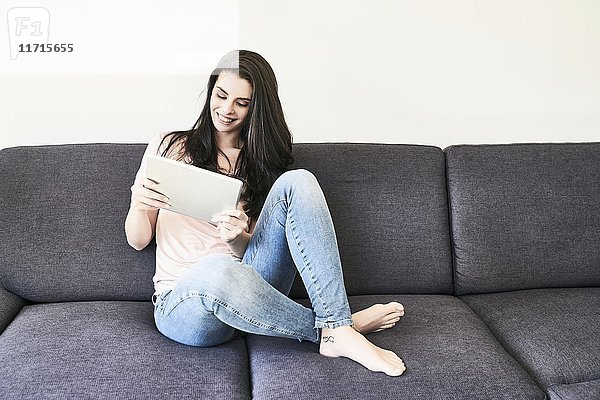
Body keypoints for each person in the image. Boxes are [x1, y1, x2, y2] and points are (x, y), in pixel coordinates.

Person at [124, 50, 407, 376]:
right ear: (210, 91)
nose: (227, 110)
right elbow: (138, 240)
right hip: (184, 307)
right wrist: (140, 201)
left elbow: (256, 254)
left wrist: (236, 239)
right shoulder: (169, 145)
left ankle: (335, 326)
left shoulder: (259, 163)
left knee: (299, 181)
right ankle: (336, 328)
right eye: (221, 95)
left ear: (256, 108)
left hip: (250, 296)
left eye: (242, 103)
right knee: (215, 269)